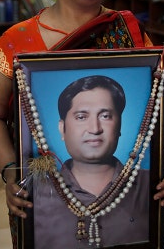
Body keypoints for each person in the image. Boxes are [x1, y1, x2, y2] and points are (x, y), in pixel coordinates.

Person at [0, 0, 164, 247]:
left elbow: (153, 115)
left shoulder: (131, 35)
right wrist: (11, 170)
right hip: (42, 205)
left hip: (124, 210)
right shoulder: (17, 41)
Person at [30, 75, 153, 248]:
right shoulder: (35, 191)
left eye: (105, 116)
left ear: (119, 125)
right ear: (62, 128)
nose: (95, 129)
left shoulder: (150, 185)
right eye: (81, 117)